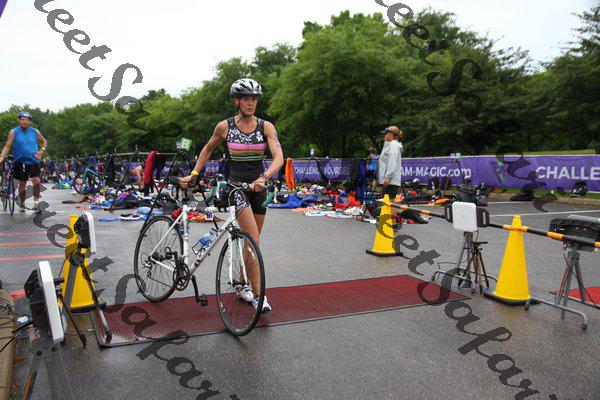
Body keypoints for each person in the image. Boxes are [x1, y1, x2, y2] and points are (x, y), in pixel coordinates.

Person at [179, 78, 284, 312]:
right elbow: (208, 148)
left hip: (259, 189)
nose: (251, 103)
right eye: (246, 98)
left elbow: (279, 157)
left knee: (251, 241)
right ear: (236, 100)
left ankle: (242, 284)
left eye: (254, 98)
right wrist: (194, 173)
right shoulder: (224, 127)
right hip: (236, 189)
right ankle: (258, 295)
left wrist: (264, 177)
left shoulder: (266, 127)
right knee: (253, 238)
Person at [0, 112, 47, 213]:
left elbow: (44, 141)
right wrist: (2, 157)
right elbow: (7, 146)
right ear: (19, 120)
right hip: (20, 161)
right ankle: (22, 203)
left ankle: (36, 203)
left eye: (27, 120)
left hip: (34, 160)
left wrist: (41, 151)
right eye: (22, 119)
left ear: (29, 121)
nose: (24, 121)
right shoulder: (14, 132)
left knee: (36, 181)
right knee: (22, 182)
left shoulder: (35, 131)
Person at [377, 126, 404, 225]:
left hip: (391, 179)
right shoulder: (390, 145)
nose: (384, 135)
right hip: (390, 178)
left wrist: (387, 177)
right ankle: (390, 222)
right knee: (390, 200)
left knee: (390, 200)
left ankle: (391, 222)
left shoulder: (393, 146)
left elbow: (392, 162)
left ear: (391, 135)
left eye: (385, 133)